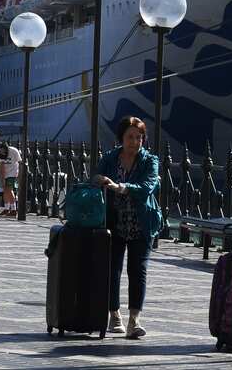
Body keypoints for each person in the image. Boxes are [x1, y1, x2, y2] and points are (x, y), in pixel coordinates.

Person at [94, 116, 162, 339]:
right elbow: (94, 175)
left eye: (139, 137)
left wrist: (121, 187)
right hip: (114, 222)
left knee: (138, 270)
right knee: (113, 269)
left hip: (141, 222)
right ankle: (114, 315)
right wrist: (100, 179)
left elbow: (147, 186)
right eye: (130, 137)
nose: (135, 142)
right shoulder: (111, 158)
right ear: (121, 138)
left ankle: (134, 320)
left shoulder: (149, 161)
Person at [0, 142, 21, 216]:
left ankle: (14, 209)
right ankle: (7, 208)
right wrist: (3, 178)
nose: (2, 152)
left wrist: (19, 174)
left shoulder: (14, 151)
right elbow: (1, 165)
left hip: (13, 173)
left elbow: (19, 162)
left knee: (9, 189)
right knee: (5, 190)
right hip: (6, 173)